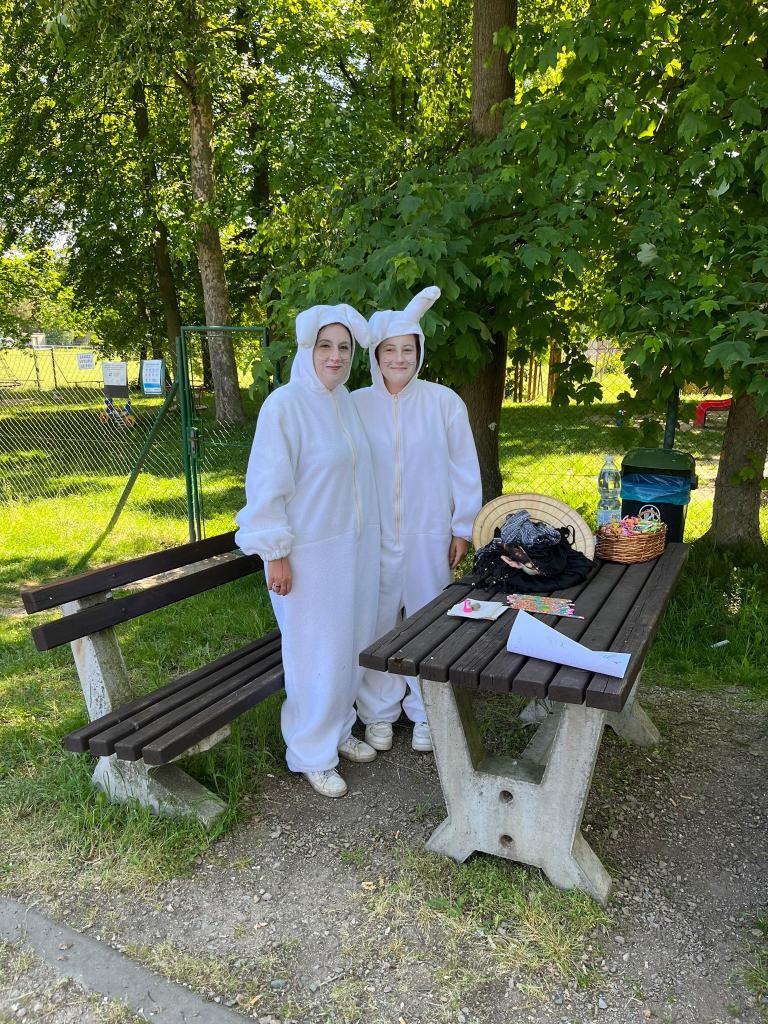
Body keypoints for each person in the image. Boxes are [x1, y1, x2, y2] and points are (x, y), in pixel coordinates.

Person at [235, 304, 381, 798]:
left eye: (344, 347)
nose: (335, 356)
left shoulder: (345, 403)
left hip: (352, 551)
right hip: (308, 556)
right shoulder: (285, 405)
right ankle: (311, 752)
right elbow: (267, 485)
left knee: (349, 644)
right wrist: (274, 551)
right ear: (307, 349)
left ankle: (338, 730)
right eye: (325, 346)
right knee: (314, 652)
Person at [352, 286, 482, 753]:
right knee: (378, 623)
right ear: (376, 356)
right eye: (390, 350)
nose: (399, 359)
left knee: (431, 619)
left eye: (408, 349)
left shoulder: (444, 402)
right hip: (373, 536)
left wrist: (462, 526)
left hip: (430, 532)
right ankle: (378, 712)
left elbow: (464, 466)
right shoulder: (355, 405)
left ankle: (428, 712)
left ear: (420, 352)